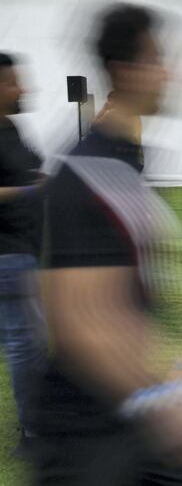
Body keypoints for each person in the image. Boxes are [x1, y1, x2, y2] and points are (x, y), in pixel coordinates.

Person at [30, 4, 182, 485]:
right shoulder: (88, 171)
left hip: (129, 419)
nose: (170, 73)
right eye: (158, 60)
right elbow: (81, 319)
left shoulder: (126, 161)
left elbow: (127, 309)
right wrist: (168, 400)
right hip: (86, 434)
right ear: (126, 71)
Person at [0, 52, 48, 457]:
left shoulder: (11, 129)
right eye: (13, 82)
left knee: (26, 339)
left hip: (26, 251)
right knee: (25, 343)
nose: (22, 88)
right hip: (8, 256)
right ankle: (33, 435)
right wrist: (31, 191)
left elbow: (31, 170)